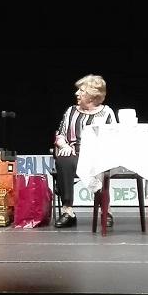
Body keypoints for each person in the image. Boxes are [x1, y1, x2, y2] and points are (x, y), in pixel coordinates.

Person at [53, 74, 117, 228]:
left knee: (101, 165)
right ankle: (68, 211)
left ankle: (106, 211)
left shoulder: (107, 112)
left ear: (92, 96)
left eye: (81, 91)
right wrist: (64, 146)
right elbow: (60, 134)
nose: (77, 94)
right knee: (64, 160)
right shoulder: (71, 111)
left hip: (97, 155)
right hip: (74, 152)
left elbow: (114, 137)